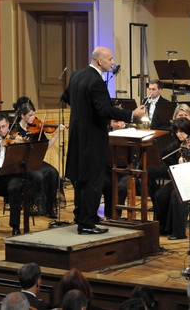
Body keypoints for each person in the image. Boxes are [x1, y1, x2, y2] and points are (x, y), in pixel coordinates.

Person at [60, 47, 145, 235]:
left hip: (77, 136)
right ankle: (87, 224)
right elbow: (105, 110)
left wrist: (83, 112)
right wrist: (132, 114)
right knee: (93, 180)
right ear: (100, 61)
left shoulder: (76, 75)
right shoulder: (96, 80)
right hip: (93, 138)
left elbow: (66, 97)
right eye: (110, 59)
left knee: (81, 179)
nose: (112, 62)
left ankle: (81, 217)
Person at [154, 118, 190, 239]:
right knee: (160, 194)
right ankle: (163, 227)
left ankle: (179, 232)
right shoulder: (178, 144)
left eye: (182, 131)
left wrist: (187, 161)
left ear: (188, 130)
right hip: (181, 179)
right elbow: (163, 153)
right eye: (177, 132)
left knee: (176, 195)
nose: (179, 134)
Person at [12, 101, 64, 218]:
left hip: (35, 161)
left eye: (34, 114)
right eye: (30, 115)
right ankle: (31, 206)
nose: (33, 118)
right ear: (22, 116)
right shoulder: (16, 130)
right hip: (23, 163)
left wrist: (57, 134)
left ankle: (49, 207)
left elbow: (46, 146)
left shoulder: (37, 128)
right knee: (38, 176)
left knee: (53, 172)